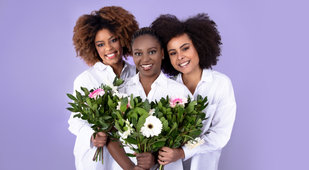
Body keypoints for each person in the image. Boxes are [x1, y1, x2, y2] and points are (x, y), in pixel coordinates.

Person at [151, 13, 237, 170]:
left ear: (199, 45)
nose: (180, 57)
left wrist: (182, 152)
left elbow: (220, 135)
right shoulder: (164, 87)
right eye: (173, 53)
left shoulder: (220, 84)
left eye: (185, 48)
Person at [68, 6, 146, 170]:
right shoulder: (86, 80)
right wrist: (92, 136)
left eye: (113, 40)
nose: (109, 49)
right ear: (93, 47)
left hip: (131, 155)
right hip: (98, 159)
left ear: (124, 38)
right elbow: (75, 121)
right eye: (100, 44)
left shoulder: (138, 74)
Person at [118, 27, 191, 170]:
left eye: (152, 52)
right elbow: (113, 136)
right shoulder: (122, 90)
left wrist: (155, 159)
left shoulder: (178, 91)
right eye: (138, 53)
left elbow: (185, 137)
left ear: (162, 53)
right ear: (132, 55)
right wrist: (131, 167)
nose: (145, 59)